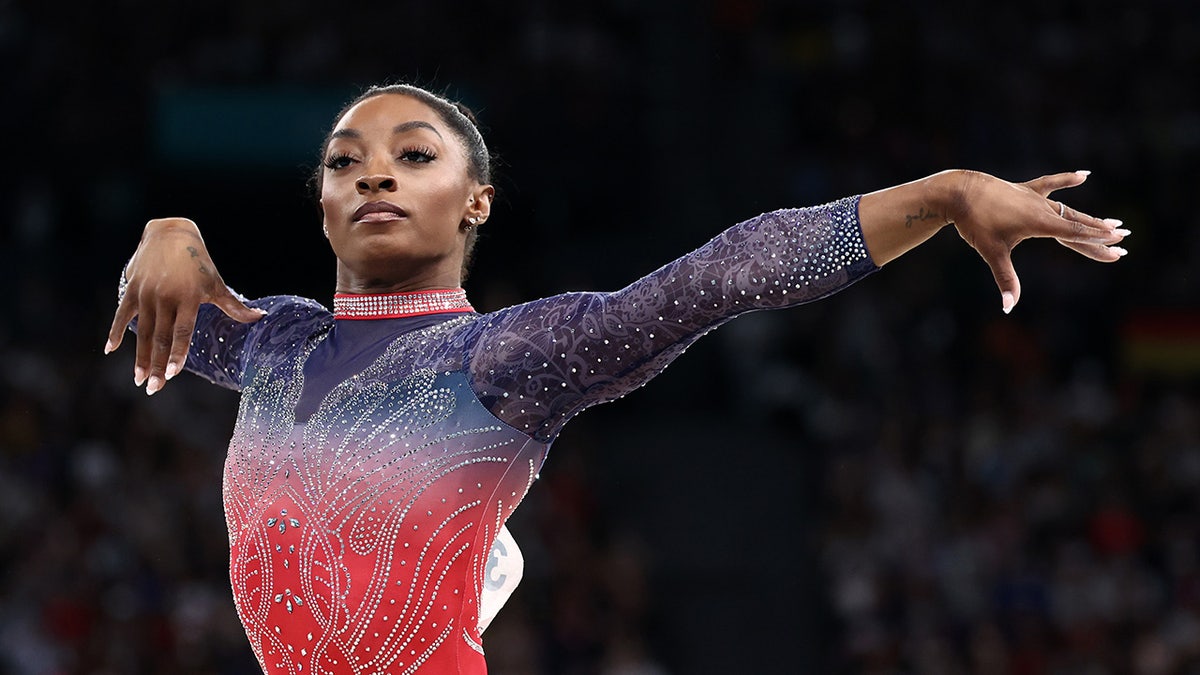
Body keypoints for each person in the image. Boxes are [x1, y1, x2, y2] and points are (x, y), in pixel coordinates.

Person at [103, 83, 1128, 674]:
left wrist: (943, 196)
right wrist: (167, 229)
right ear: (323, 202)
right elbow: (170, 310)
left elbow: (720, 278)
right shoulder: (274, 342)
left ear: (478, 205)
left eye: (415, 155)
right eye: (345, 160)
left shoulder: (506, 356)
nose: (374, 173)